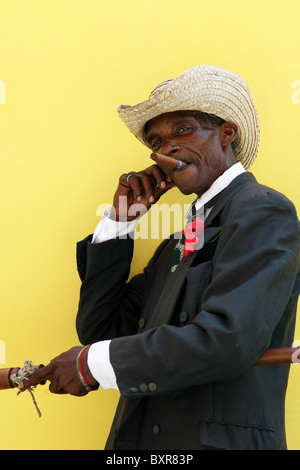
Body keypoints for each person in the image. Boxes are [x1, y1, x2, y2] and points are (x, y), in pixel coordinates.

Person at [21, 65, 300, 450]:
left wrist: (93, 364)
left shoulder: (262, 209)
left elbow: (228, 339)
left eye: (182, 130)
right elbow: (102, 331)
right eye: (156, 140)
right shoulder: (175, 245)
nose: (166, 147)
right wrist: (119, 224)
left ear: (226, 133)